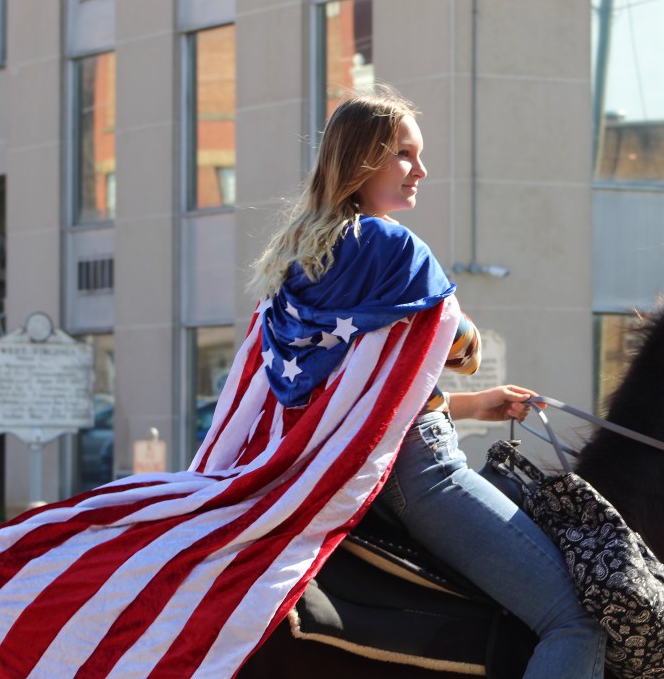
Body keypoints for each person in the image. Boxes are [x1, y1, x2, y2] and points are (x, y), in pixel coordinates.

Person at [247, 87, 606, 677]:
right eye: (406, 155)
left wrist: (468, 406)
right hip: (426, 477)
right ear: (363, 161)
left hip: (358, 469)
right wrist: (463, 354)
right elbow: (463, 347)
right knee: (577, 618)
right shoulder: (391, 245)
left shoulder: (295, 260)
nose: (422, 171)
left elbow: (357, 395)